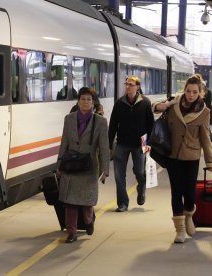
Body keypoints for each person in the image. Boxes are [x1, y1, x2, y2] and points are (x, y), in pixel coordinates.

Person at [153, 74, 212, 243]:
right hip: (173, 155)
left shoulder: (204, 112)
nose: (190, 95)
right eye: (188, 91)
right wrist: (161, 105)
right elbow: (153, 108)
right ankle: (179, 231)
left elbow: (205, 138)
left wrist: (210, 161)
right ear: (184, 90)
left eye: (194, 92)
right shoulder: (173, 105)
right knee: (176, 192)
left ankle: (189, 215)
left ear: (200, 93)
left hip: (192, 157)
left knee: (189, 194)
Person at [57, 87, 109, 243]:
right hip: (71, 164)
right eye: (83, 99)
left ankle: (88, 221)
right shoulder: (69, 118)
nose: (85, 102)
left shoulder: (100, 122)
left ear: (93, 103)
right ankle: (71, 231)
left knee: (87, 202)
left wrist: (105, 169)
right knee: (70, 202)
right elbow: (64, 142)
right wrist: (59, 163)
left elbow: (104, 147)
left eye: (89, 99)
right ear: (78, 101)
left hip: (88, 166)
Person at [108, 75, 154, 212]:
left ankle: (141, 188)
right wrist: (110, 144)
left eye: (131, 85)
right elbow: (113, 124)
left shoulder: (145, 103)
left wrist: (149, 142)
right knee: (118, 175)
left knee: (140, 171)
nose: (128, 87)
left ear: (138, 87)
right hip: (122, 143)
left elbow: (151, 124)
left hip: (140, 144)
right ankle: (122, 203)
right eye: (126, 84)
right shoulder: (119, 103)